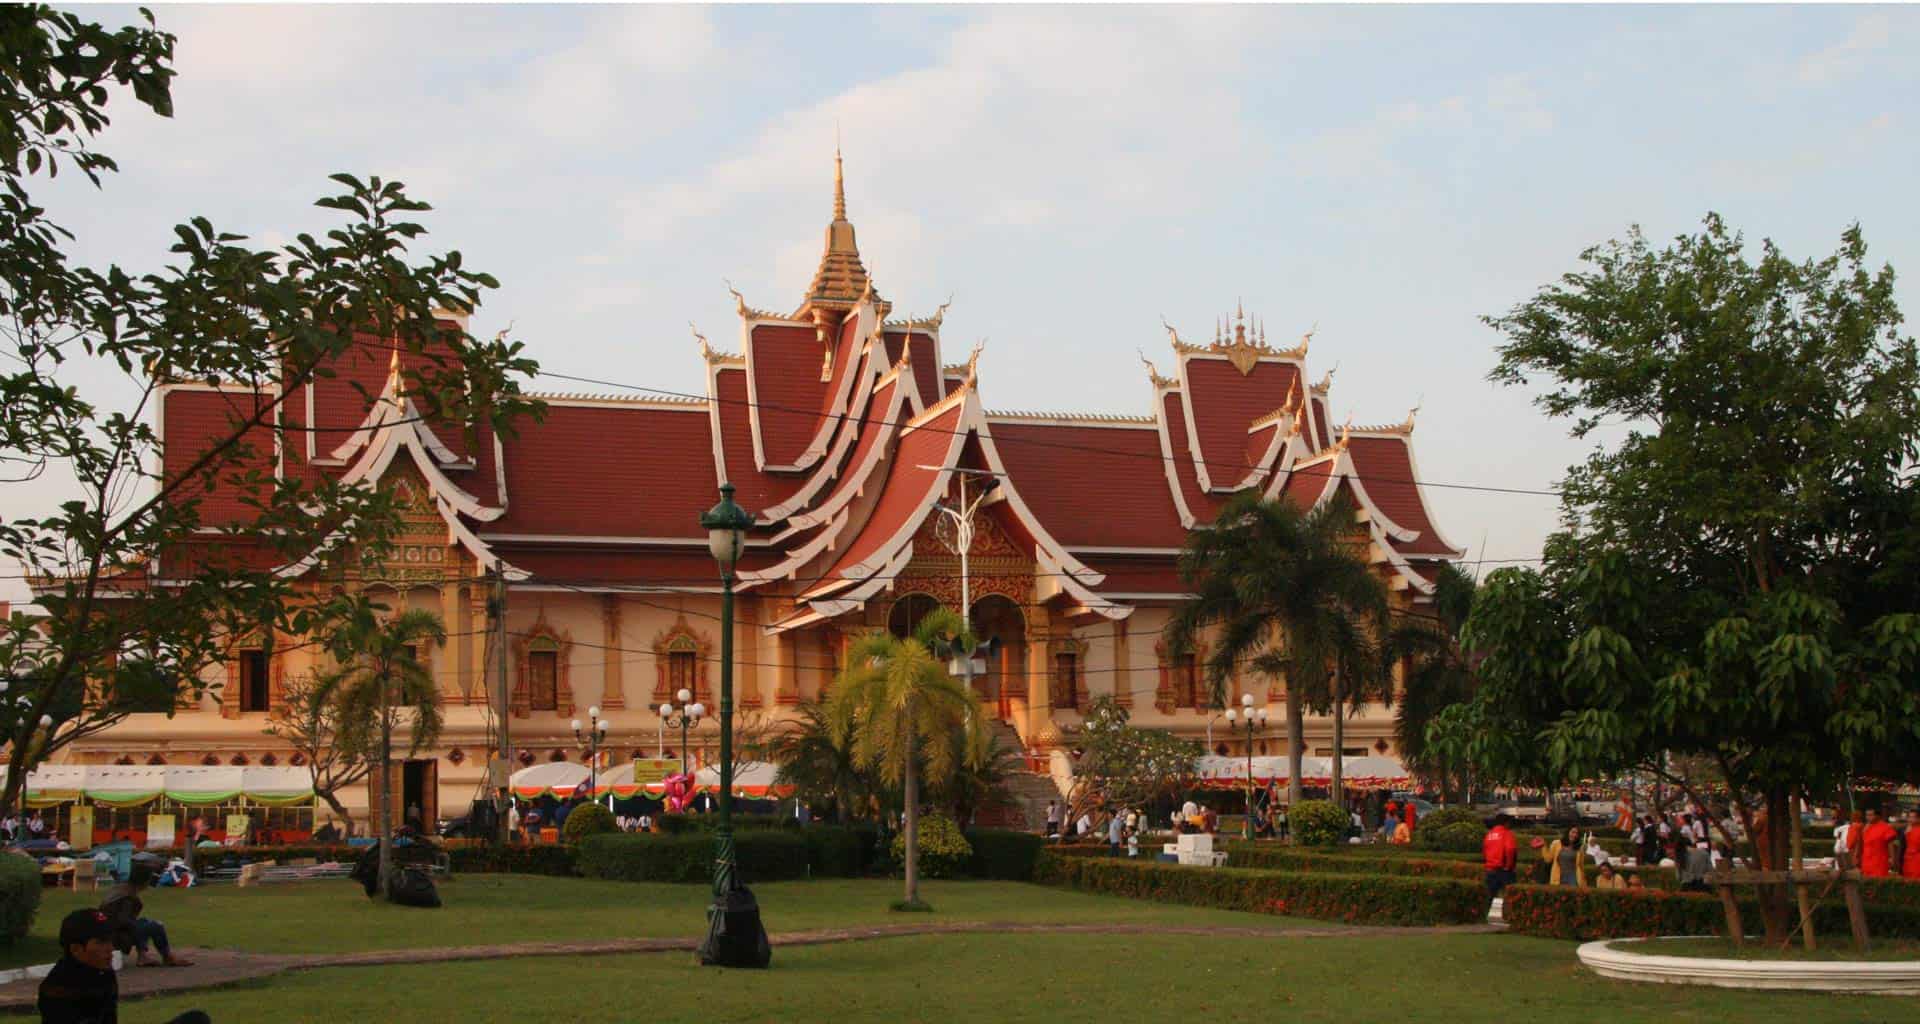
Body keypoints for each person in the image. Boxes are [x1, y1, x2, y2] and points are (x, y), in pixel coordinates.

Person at [39, 908, 210, 1024]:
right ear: (76, 949)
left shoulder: (103, 973)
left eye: (110, 940)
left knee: (196, 1020)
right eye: (101, 942)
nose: (110, 948)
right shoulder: (57, 988)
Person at [101, 870, 194, 968]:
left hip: (107, 931)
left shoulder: (121, 889)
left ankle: (143, 957)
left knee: (143, 923)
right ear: (145, 882)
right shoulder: (128, 897)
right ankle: (168, 957)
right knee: (156, 926)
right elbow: (122, 921)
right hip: (115, 936)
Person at [1482, 813, 1519, 900]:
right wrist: (1509, 866)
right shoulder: (1506, 833)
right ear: (1506, 823)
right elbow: (1510, 849)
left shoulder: (1489, 835)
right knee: (1510, 897)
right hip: (1504, 870)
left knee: (1489, 897)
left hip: (1490, 870)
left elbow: (1484, 851)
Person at [1859, 807, 1899, 878]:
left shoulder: (1886, 827)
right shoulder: (1866, 828)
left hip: (1879, 862)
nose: (1868, 817)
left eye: (1871, 815)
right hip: (1866, 861)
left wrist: (1892, 858)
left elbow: (1890, 844)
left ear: (1877, 816)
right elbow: (1862, 843)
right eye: (1867, 815)